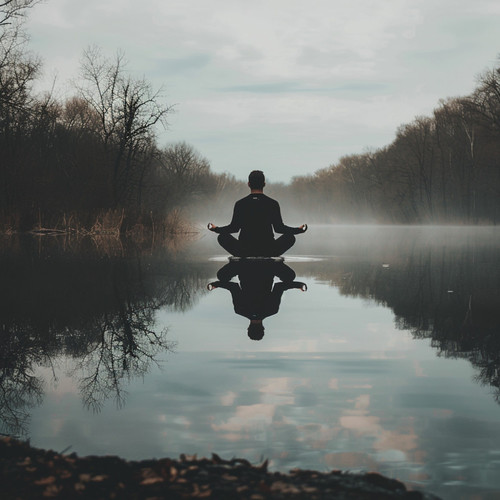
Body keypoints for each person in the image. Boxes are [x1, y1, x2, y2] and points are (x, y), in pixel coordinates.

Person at [208, 170, 307, 257]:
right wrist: (298, 230)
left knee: (222, 236)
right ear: (264, 184)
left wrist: (215, 229)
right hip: (268, 250)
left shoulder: (240, 204)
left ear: (249, 184)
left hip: (244, 250)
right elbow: (279, 228)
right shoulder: (273, 203)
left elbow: (233, 228)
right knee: (290, 237)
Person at [208, 260, 307, 341]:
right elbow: (233, 287)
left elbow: (279, 287)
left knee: (290, 277)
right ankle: (235, 263)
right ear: (248, 328)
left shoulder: (272, 310)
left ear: (263, 328)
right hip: (244, 266)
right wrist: (215, 285)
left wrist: (299, 285)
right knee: (222, 276)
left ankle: (277, 263)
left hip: (268, 266)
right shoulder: (240, 310)